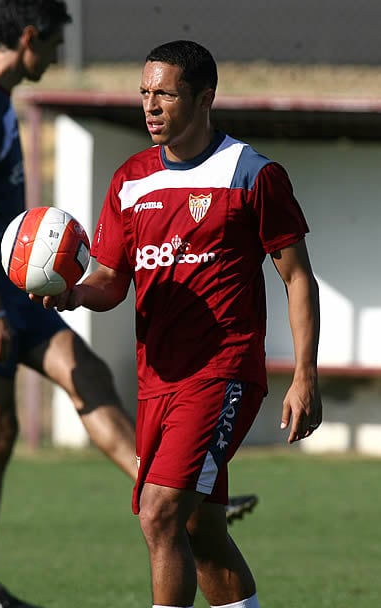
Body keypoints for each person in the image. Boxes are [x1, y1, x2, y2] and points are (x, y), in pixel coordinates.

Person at [0, 0, 256, 606]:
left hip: (16, 295)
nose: (54, 57)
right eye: (52, 46)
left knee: (89, 376)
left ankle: (167, 487)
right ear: (29, 38)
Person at [40, 40, 322, 608]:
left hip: (222, 373)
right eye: (145, 93)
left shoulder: (252, 174)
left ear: (204, 98)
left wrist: (305, 375)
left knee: (160, 514)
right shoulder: (131, 180)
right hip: (157, 380)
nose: (150, 106)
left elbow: (298, 279)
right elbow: (112, 282)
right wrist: (72, 292)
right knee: (203, 533)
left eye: (165, 93)